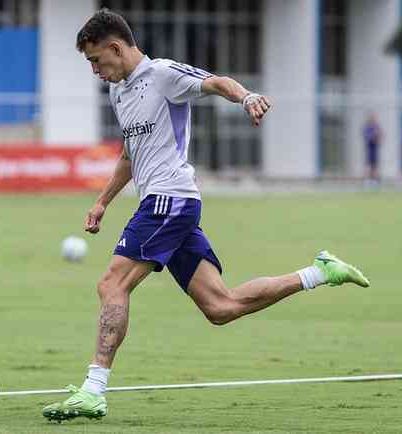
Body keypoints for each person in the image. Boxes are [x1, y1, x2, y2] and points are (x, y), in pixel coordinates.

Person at [42, 9, 370, 422]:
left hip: (169, 199)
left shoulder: (161, 74)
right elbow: (130, 155)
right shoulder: (118, 93)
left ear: (115, 47)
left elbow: (215, 83)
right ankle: (321, 273)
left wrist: (246, 97)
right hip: (165, 204)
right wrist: (103, 201)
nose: (94, 70)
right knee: (221, 307)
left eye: (95, 60)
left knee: (112, 283)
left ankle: (93, 389)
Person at [363, 114, 382, 182]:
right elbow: (368, 137)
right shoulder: (367, 127)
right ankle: (367, 180)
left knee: (375, 165)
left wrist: (378, 136)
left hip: (375, 149)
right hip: (369, 149)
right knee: (368, 165)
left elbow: (380, 137)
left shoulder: (376, 127)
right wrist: (374, 136)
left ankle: (375, 180)